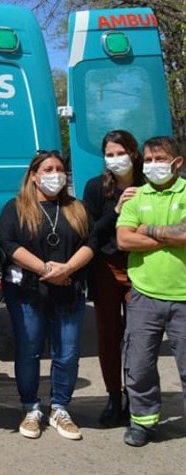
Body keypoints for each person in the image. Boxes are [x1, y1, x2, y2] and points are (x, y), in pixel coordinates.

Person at [0, 150, 96, 441]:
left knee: (67, 352)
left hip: (69, 291)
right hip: (28, 292)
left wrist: (68, 269)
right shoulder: (15, 208)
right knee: (29, 351)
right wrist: (45, 269)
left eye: (60, 169)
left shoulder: (76, 208)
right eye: (48, 169)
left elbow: (92, 242)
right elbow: (9, 242)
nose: (55, 174)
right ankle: (31, 407)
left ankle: (60, 408)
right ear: (34, 175)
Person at [116, 135, 186, 447]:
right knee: (139, 364)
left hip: (183, 296)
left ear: (177, 162)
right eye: (148, 159)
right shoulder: (136, 196)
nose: (153, 165)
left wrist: (148, 229)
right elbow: (124, 241)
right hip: (144, 295)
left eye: (159, 159)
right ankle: (143, 421)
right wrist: (173, 235)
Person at [83, 130, 143, 427]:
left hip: (140, 269)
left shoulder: (147, 185)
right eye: (110, 153)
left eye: (121, 152)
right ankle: (113, 397)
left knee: (138, 337)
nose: (116, 159)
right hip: (105, 269)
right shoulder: (96, 188)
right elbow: (91, 231)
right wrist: (117, 210)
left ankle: (137, 398)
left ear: (133, 153)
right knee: (108, 336)